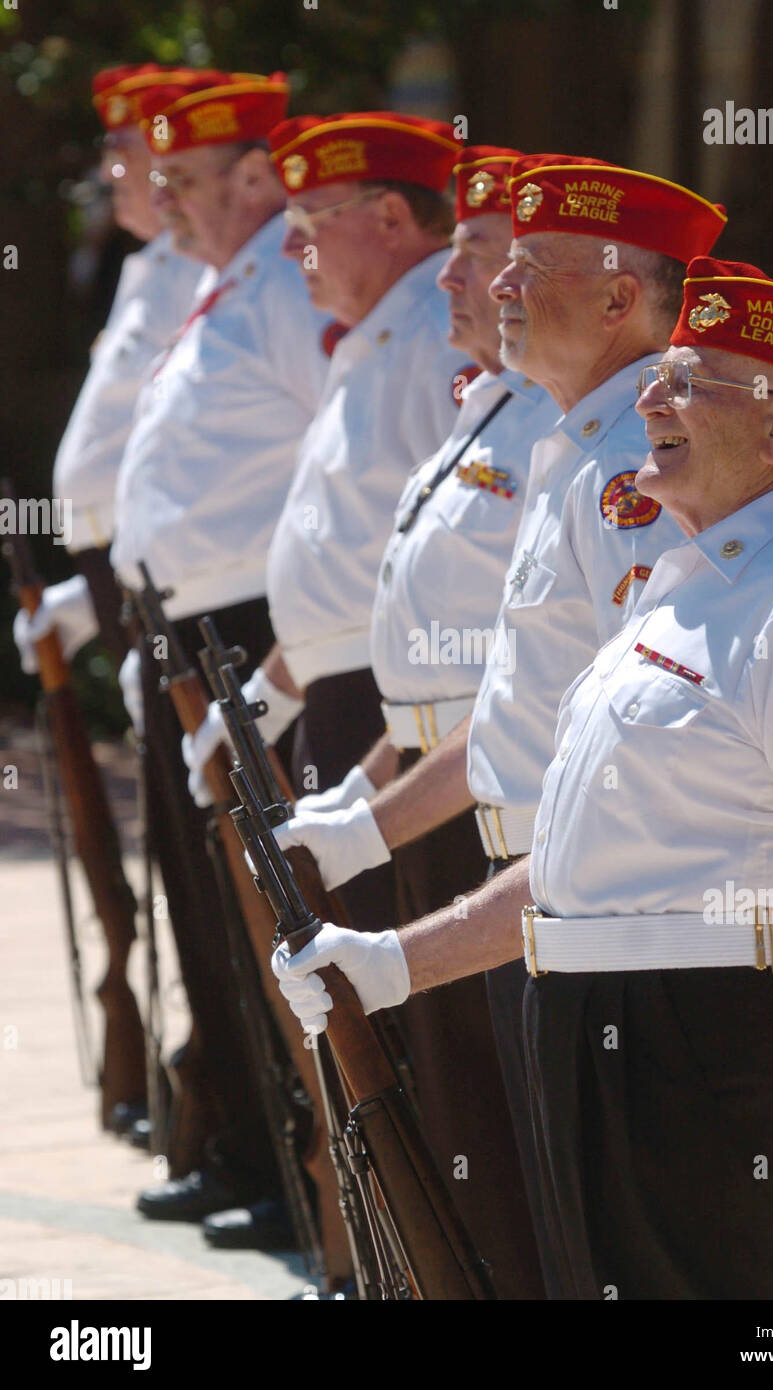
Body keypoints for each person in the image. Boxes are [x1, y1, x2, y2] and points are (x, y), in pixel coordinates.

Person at [273, 258, 773, 1299]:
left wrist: (719, 924)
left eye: (691, 382)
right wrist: (393, 960)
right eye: (660, 375)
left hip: (707, 1033)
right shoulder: (684, 590)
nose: (653, 402)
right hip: (609, 1020)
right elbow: (578, 861)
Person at [267, 155, 726, 1288]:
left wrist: (400, 948)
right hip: (535, 891)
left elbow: (623, 762)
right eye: (500, 257)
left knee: (620, 1254)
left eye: (530, 264)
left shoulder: (633, 469)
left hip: (607, 922)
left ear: (620, 299)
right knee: (556, 1237)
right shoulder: (576, 447)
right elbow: (521, 712)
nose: (495, 284)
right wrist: (364, 825)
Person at [109, 70, 334, 1244]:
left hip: (250, 633)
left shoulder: (285, 291)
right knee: (204, 912)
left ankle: (301, 1169)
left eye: (186, 180)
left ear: (256, 176)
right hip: (185, 632)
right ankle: (244, 1145)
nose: (166, 201)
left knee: (258, 911)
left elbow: (328, 473)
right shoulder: (220, 285)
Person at [182, 111, 476, 943]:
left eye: (309, 225)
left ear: (388, 219)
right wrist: (272, 688)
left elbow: (457, 568)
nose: (286, 247)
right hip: (346, 698)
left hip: (393, 708)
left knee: (409, 1002)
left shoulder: (435, 344)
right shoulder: (378, 339)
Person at [13, 65, 202, 716]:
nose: (109, 174)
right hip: (121, 566)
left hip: (162, 567)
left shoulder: (199, 272)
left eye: (122, 153)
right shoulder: (149, 266)